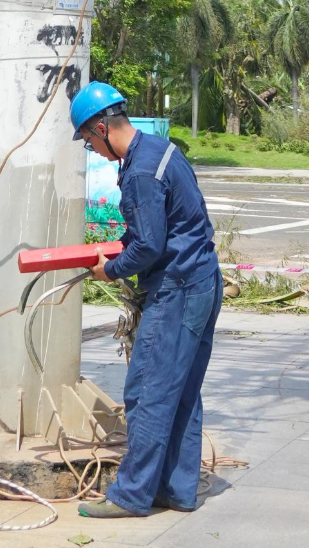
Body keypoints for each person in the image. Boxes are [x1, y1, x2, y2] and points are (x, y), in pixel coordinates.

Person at [69, 81, 223, 520]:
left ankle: (132, 494)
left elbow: (149, 247)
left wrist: (109, 268)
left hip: (176, 290)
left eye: (87, 140)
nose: (91, 150)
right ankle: (176, 490)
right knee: (182, 392)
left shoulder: (138, 172)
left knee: (148, 391)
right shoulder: (160, 149)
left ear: (101, 127)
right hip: (203, 281)